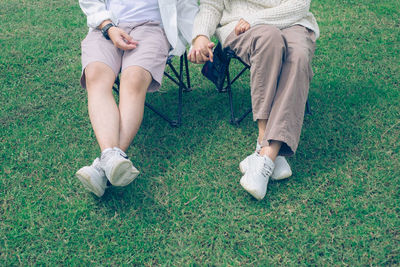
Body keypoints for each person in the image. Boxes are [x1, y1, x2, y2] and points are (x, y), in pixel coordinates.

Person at [188, 0, 319, 200]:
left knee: (298, 55)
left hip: (293, 22)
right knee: (269, 38)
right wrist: (201, 35)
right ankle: (271, 150)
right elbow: (211, 5)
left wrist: (255, 19)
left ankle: (265, 154)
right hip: (240, 28)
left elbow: (300, 4)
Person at [76, 0, 198, 197]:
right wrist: (108, 27)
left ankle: (105, 163)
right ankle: (112, 158)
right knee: (96, 74)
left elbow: (187, 4)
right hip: (107, 25)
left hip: (152, 27)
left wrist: (194, 38)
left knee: (133, 78)